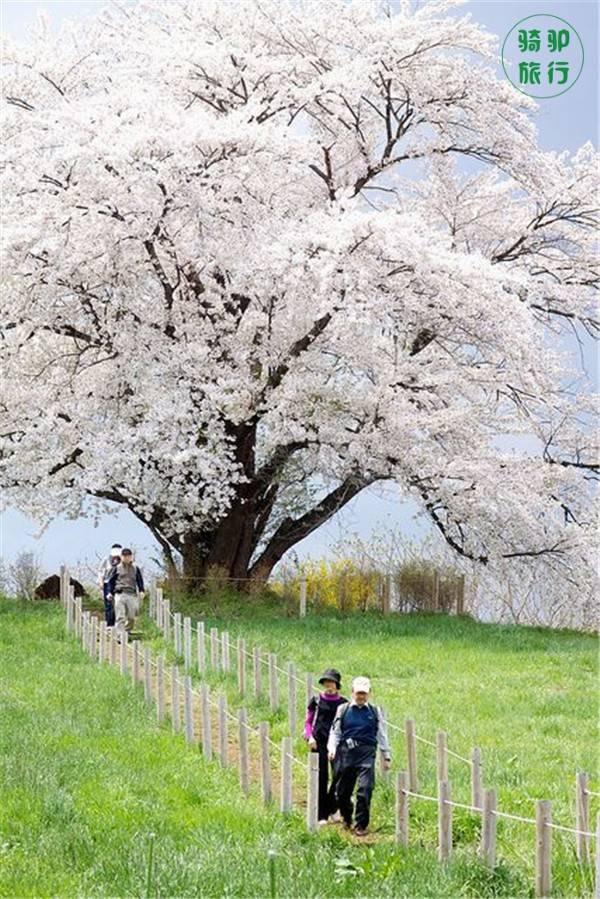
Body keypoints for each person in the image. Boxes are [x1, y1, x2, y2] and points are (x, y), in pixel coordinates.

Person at [327, 676, 391, 836]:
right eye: (358, 693)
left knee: (365, 788)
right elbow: (335, 732)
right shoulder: (343, 709)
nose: (361, 696)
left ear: (369, 693)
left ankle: (361, 825)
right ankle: (347, 818)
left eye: (364, 693)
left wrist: (386, 755)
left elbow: (381, 734)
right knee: (342, 792)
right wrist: (332, 748)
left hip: (367, 755)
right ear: (352, 692)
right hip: (346, 754)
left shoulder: (374, 712)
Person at [304, 668, 348, 825]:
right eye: (326, 682)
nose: (329, 685)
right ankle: (321, 814)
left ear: (337, 684)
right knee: (321, 778)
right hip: (319, 743)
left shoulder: (344, 704)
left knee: (340, 775)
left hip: (337, 745)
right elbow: (308, 722)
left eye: (332, 682)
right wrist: (310, 737)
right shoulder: (316, 701)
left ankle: (333, 807)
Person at [106, 548, 145, 640]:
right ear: (121, 557)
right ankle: (120, 636)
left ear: (131, 557)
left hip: (131, 594)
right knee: (120, 616)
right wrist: (109, 592)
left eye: (128, 556)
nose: (126, 558)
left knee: (131, 617)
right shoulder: (116, 568)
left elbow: (139, 580)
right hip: (120, 594)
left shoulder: (136, 568)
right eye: (124, 556)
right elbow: (111, 582)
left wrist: (141, 590)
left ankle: (126, 631)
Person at [97, 544, 122, 627]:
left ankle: (119, 624)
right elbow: (100, 571)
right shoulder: (106, 560)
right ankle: (110, 624)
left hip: (119, 583)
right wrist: (100, 581)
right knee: (109, 604)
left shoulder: (123, 561)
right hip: (107, 583)